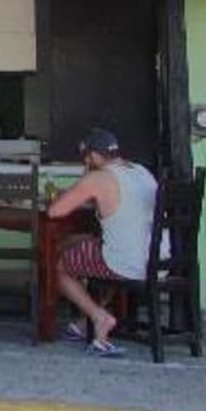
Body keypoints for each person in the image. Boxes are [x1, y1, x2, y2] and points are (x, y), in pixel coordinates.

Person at [49, 127, 157, 357]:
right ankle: (81, 322)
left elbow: (55, 211)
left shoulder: (99, 176)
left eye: (86, 157)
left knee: (58, 264)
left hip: (125, 261)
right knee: (87, 243)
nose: (86, 161)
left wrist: (84, 179)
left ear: (95, 156)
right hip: (158, 260)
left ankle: (99, 318)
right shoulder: (141, 171)